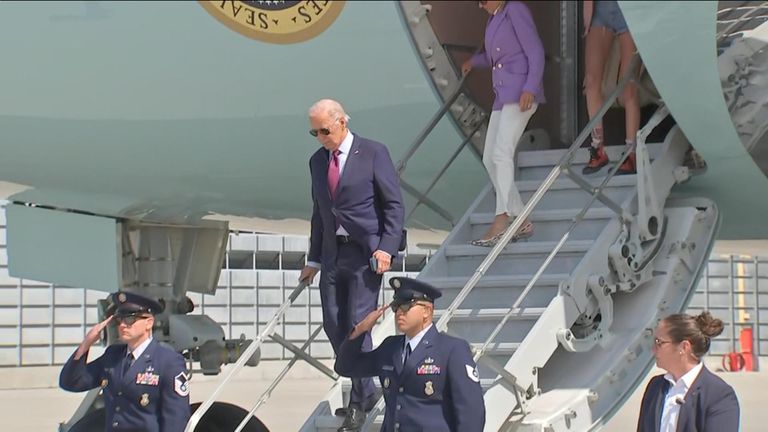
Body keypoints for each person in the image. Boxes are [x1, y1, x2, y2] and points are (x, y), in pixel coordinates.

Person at [299, 99, 405, 431]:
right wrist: (313, 258)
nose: (320, 137)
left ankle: (360, 399)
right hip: (332, 255)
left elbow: (393, 205)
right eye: (314, 132)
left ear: (342, 122)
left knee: (358, 325)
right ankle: (365, 391)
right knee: (334, 324)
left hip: (365, 254)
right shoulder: (318, 161)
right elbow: (320, 213)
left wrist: (387, 247)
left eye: (325, 130)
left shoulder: (372, 152)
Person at [335, 277, 486, 432]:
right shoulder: (390, 347)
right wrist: (360, 331)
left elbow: (471, 411)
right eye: (396, 307)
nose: (399, 312)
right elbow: (346, 368)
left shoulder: (452, 349)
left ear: (427, 311)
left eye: (406, 305)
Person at [461, 0, 545, 247]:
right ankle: (521, 218)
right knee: (489, 157)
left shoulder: (515, 10)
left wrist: (530, 87)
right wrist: (473, 62)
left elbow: (535, 51)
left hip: (521, 94)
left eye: (483, 0)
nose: (480, 5)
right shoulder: (496, 16)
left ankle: (503, 216)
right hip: (503, 95)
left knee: (501, 154)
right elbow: (493, 55)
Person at [59, 291, 190, 432]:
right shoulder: (113, 356)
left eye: (129, 320)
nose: (122, 325)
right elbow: (71, 382)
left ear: (149, 322)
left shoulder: (168, 361)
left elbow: (176, 418)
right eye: (119, 320)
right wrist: (87, 343)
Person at [636, 311, 740, 432]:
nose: (653, 349)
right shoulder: (655, 386)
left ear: (684, 347)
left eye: (659, 343)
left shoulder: (719, 395)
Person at [581, 0, 641, 176]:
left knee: (628, 84)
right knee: (591, 81)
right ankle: (598, 147)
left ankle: (631, 152)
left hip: (630, 11)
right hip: (600, 10)